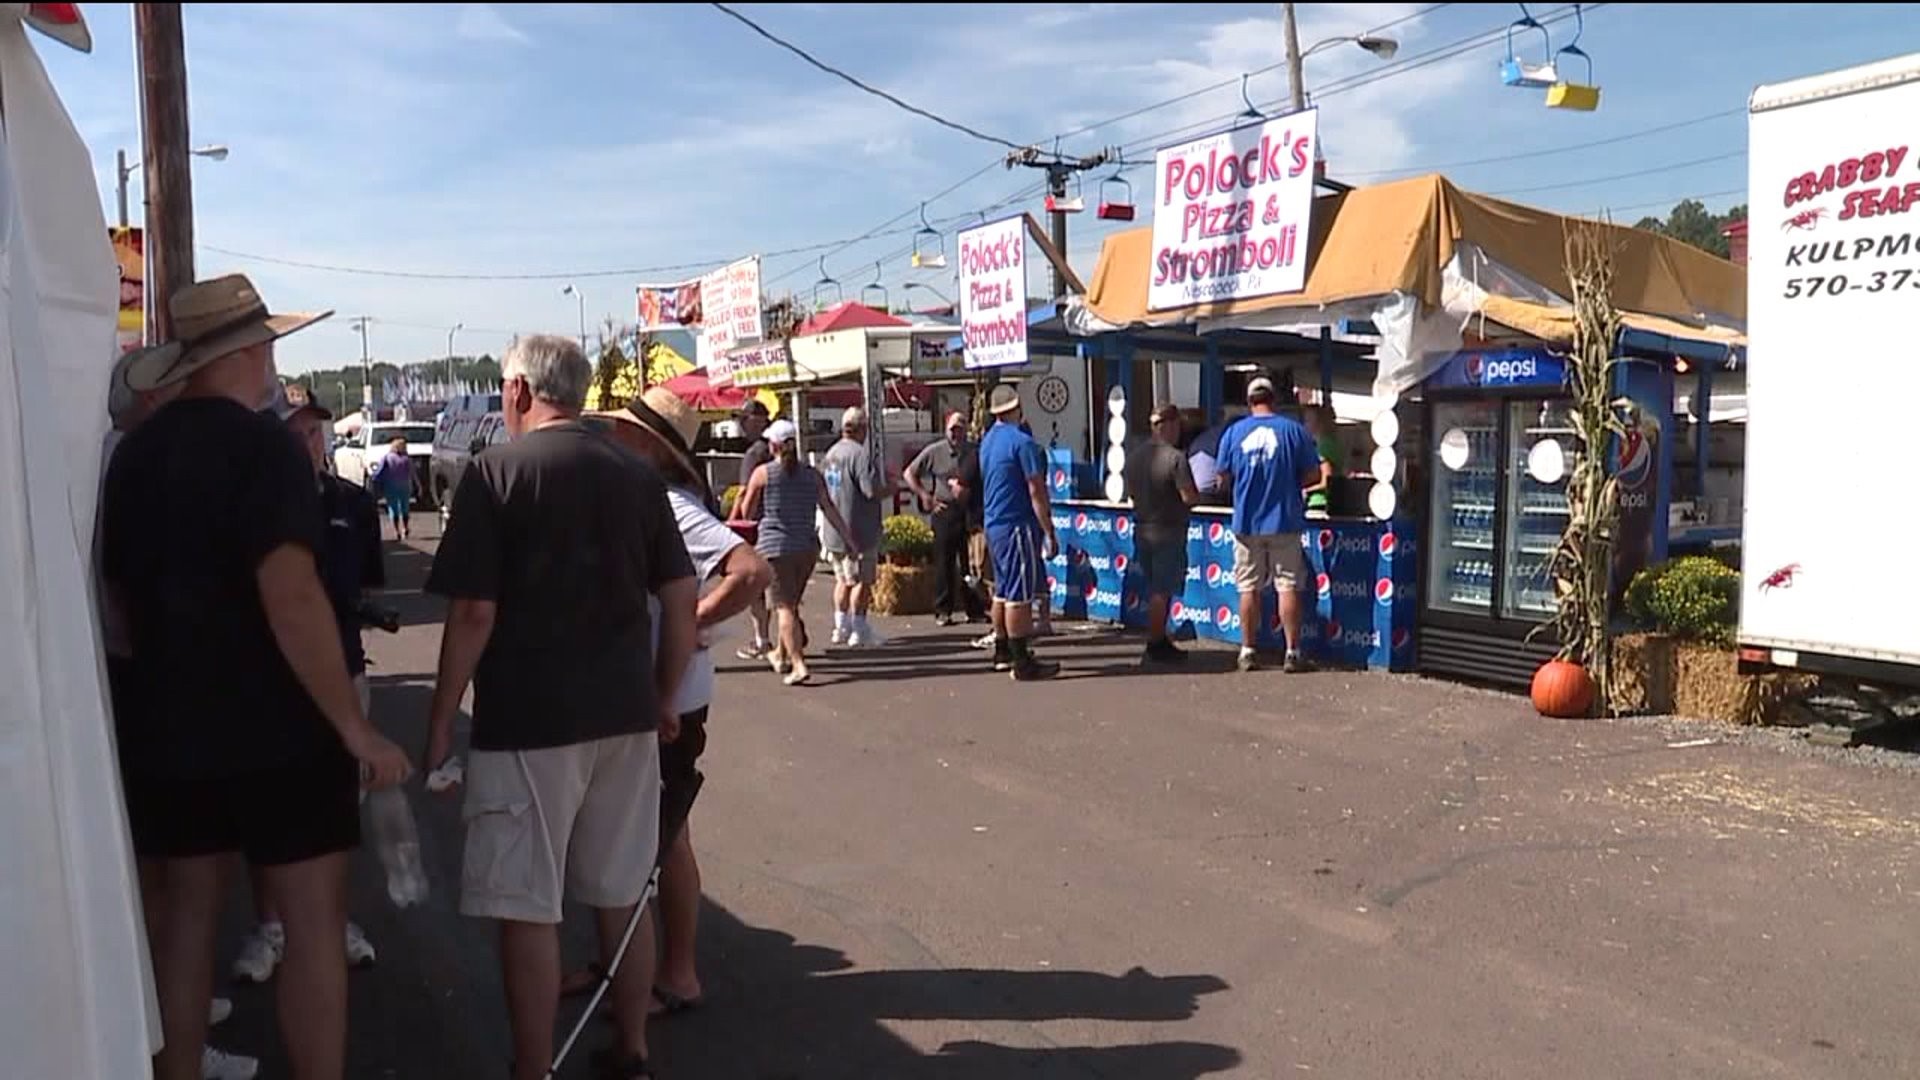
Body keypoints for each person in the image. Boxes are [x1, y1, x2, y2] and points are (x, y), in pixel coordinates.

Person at [102, 274, 411, 1080]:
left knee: (184, 925)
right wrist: (355, 726)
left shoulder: (134, 455)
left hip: (169, 724)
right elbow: (292, 596)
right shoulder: (265, 447)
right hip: (283, 729)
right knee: (312, 928)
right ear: (249, 351)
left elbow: (117, 599)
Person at [424, 335, 697, 1080]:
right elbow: (679, 600)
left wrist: (442, 719)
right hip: (625, 714)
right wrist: (663, 694)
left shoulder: (496, 474)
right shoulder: (636, 477)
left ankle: (533, 1066)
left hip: (528, 720)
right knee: (620, 891)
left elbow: (474, 612)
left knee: (528, 901)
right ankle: (633, 1049)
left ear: (517, 393)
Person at [576, 387, 773, 1018]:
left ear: (645, 445)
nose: (610, 438)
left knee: (663, 838)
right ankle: (626, 964)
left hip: (672, 699)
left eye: (621, 432)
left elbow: (751, 570)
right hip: (663, 691)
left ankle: (676, 972)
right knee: (648, 834)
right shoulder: (654, 499)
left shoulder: (672, 506)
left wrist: (692, 622)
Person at [97, 349, 258, 1080]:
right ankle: (172, 1046)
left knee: (165, 883)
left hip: (132, 686)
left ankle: (169, 1034)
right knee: (181, 887)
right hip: (149, 685)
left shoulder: (115, 460)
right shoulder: (130, 462)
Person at [231, 390, 384, 986]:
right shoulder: (253, 504)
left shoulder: (352, 503)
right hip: (271, 679)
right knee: (270, 808)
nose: (307, 443)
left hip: (344, 671)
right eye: (293, 434)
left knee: (341, 807)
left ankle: (332, 918)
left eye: (315, 432)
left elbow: (364, 585)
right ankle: (272, 925)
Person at [738, 419, 860, 687]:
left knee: (784, 608)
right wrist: (849, 539)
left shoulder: (763, 474)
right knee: (791, 604)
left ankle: (798, 663)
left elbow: (747, 513)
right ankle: (781, 654)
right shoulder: (811, 474)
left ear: (774, 446)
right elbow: (828, 509)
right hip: (806, 547)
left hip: (775, 547)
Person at [1215, 376, 1322, 674]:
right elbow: (1314, 475)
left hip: (1246, 522)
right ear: (1274, 399)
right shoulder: (1294, 431)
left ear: (1249, 402)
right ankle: (1292, 652)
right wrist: (1288, 484)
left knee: (1247, 587)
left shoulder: (1233, 433)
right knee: (1287, 585)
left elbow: (1221, 479)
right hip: (1285, 520)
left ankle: (1247, 651)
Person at [977, 386, 1061, 681]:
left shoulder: (987, 442)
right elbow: (1036, 488)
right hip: (1016, 524)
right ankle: (1021, 659)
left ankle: (1002, 650)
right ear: (1017, 407)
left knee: (1002, 589)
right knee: (1019, 595)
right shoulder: (1022, 442)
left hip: (994, 523)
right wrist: (1048, 529)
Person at [1125, 404, 1202, 664]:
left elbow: (1131, 494)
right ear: (1169, 426)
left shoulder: (1133, 457)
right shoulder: (1176, 458)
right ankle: (1155, 642)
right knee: (1162, 590)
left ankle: (1160, 640)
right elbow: (1189, 497)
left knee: (1155, 588)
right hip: (1168, 531)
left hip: (1142, 530)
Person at [905, 411, 987, 627]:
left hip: (968, 511)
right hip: (945, 511)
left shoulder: (974, 451)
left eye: (960, 429)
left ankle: (975, 609)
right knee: (944, 563)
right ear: (946, 429)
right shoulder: (935, 451)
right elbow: (909, 473)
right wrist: (925, 497)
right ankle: (943, 610)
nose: (956, 434)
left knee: (971, 563)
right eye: (953, 429)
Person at [821, 406, 892, 648]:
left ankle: (841, 626)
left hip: (834, 529)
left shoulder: (831, 453)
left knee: (842, 579)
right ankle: (859, 628)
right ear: (862, 428)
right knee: (861, 580)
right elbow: (870, 490)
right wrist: (891, 488)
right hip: (858, 529)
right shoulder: (860, 455)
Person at [732, 400, 776, 662]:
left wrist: (732, 522)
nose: (741, 424)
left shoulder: (754, 454)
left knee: (755, 588)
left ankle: (762, 639)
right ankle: (788, 631)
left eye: (744, 419)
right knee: (780, 588)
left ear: (757, 421)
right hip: (784, 527)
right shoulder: (779, 453)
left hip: (758, 528)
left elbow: (743, 492)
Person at [369, 436, 413, 541]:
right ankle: (405, 527)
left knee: (393, 508)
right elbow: (412, 473)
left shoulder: (387, 457)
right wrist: (418, 485)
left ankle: (397, 530)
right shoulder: (406, 458)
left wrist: (373, 479)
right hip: (405, 485)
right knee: (405, 507)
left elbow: (379, 471)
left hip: (391, 485)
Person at [1303, 403, 1340, 516]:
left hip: (1319, 502)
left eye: (1308, 420)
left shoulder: (1325, 446)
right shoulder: (1318, 445)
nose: (1305, 424)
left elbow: (1326, 480)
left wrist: (1306, 490)